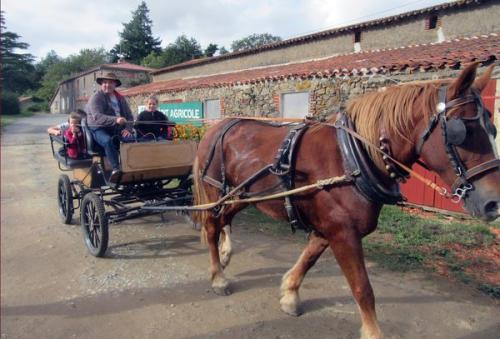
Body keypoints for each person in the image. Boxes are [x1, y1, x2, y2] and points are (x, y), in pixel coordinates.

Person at [85, 72, 134, 182]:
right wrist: (115, 119)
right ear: (101, 84)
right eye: (105, 82)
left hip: (116, 128)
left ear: (115, 84)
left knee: (132, 139)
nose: (107, 85)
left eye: (110, 82)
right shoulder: (96, 97)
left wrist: (128, 129)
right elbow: (97, 117)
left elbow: (129, 116)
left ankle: (132, 167)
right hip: (98, 127)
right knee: (107, 141)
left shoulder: (120, 98)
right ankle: (116, 169)